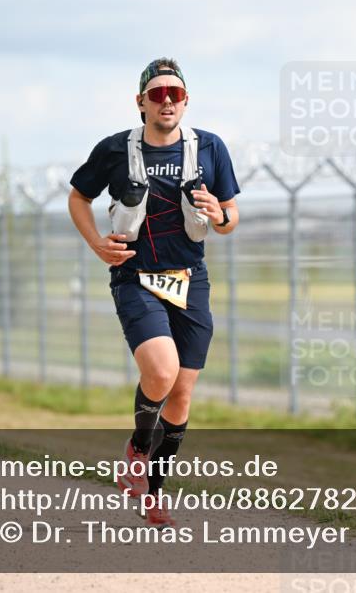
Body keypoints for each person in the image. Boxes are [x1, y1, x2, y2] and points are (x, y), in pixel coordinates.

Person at [67, 58, 240, 527]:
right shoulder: (114, 149)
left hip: (190, 279)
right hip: (134, 276)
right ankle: (138, 449)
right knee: (161, 371)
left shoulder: (210, 148)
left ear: (186, 101)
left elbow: (229, 218)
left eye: (175, 94)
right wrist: (96, 244)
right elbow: (79, 197)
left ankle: (154, 492)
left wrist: (219, 215)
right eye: (158, 94)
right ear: (140, 102)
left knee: (181, 394)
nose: (167, 101)